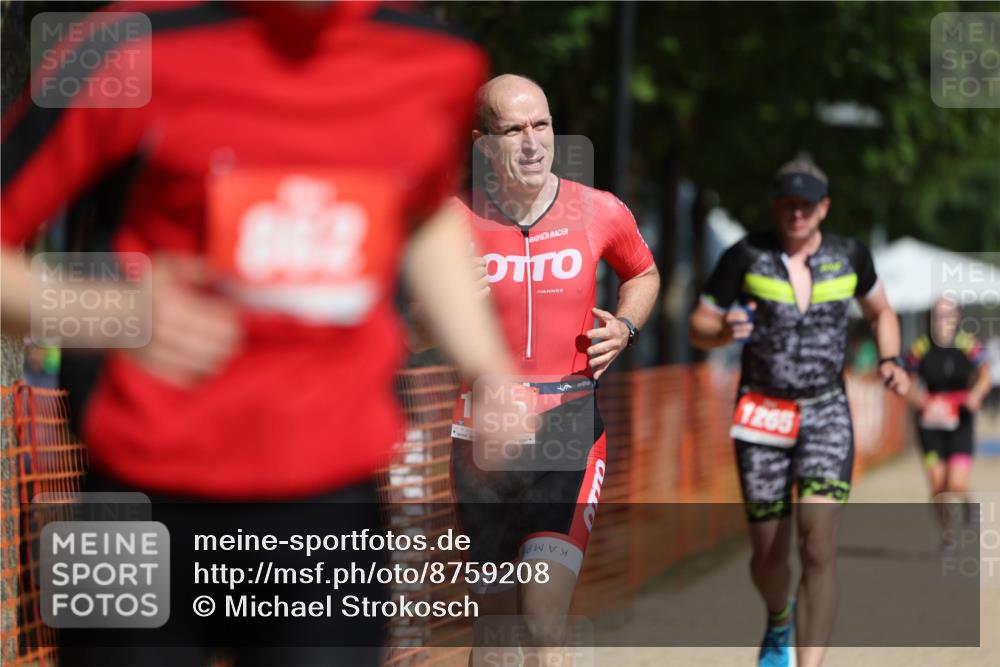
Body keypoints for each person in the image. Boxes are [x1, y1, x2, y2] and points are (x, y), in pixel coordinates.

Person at [1, 2, 512, 665]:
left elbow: (421, 211)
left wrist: (489, 366)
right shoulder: (123, 49)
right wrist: (119, 315)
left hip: (329, 500)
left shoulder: (437, 63)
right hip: (131, 494)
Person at [435, 74, 659, 664]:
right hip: (482, 437)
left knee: (541, 618)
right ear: (484, 143)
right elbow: (406, 325)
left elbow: (643, 271)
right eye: (514, 130)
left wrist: (627, 327)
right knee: (495, 629)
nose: (533, 142)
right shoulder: (451, 221)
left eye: (542, 125)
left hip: (568, 427)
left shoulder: (597, 210)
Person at [688, 157, 909, 667]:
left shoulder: (851, 255)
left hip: (826, 413)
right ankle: (778, 618)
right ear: (775, 205)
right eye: (787, 204)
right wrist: (723, 332)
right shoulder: (746, 255)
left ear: (824, 207)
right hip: (761, 413)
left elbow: (882, 312)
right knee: (768, 553)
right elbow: (700, 322)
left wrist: (892, 358)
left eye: (806, 205)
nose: (795, 214)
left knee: (817, 543)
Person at [906, 297, 991, 548]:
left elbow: (985, 373)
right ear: (931, 318)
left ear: (956, 318)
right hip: (930, 426)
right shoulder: (920, 348)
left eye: (948, 315)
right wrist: (914, 395)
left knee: (955, 483)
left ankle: (969, 504)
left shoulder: (967, 345)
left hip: (960, 423)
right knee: (937, 487)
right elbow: (907, 378)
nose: (942, 321)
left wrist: (976, 393)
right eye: (937, 315)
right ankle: (947, 534)